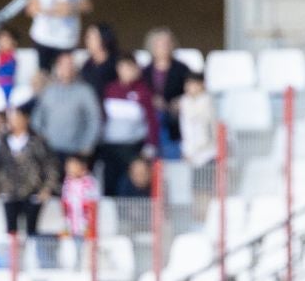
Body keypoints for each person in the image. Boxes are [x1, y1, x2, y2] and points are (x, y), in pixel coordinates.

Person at [0, 107, 60, 266]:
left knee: (32, 229)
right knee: (11, 230)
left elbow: (50, 166)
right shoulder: (4, 142)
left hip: (33, 192)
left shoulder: (38, 142)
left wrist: (47, 188)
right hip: (9, 191)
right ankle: (12, 263)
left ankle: (33, 261)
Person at [99, 54, 158, 197]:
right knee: (110, 183)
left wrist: (150, 145)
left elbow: (151, 120)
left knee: (131, 184)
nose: (126, 71)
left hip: (133, 146)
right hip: (111, 145)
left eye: (129, 67)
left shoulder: (143, 91)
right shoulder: (110, 89)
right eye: (122, 67)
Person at [30, 52, 102, 163]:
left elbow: (95, 119)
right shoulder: (49, 91)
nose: (67, 68)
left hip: (76, 152)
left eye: (70, 64)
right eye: (63, 65)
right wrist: (41, 140)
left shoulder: (85, 91)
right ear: (57, 67)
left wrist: (87, 144)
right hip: (50, 151)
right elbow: (37, 118)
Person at [142, 27, 191, 159]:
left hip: (175, 120)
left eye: (167, 43)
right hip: (152, 121)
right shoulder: (145, 71)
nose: (164, 47)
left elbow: (192, 91)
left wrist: (181, 101)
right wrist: (151, 100)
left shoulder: (182, 69)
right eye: (160, 43)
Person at [177, 73, 216, 169]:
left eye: (194, 84)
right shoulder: (184, 102)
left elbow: (208, 130)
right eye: (188, 84)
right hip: (190, 155)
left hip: (209, 153)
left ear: (202, 84)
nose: (191, 87)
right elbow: (185, 130)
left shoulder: (209, 102)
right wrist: (187, 150)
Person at [80, 22, 120, 96]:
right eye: (87, 37)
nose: (87, 41)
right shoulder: (87, 65)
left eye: (91, 37)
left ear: (104, 39)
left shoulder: (116, 64)